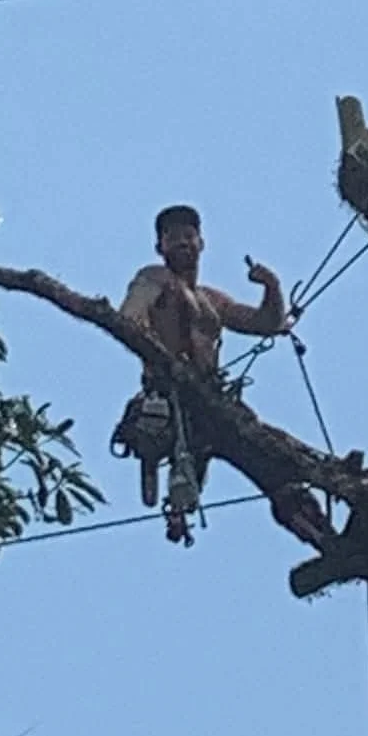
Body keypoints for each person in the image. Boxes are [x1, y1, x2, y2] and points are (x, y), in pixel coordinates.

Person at [112, 205, 287, 543]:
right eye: (172, 237)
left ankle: (300, 510)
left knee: (267, 451)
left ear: (201, 243)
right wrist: (159, 355)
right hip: (165, 391)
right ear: (160, 247)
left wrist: (272, 286)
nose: (182, 243)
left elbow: (268, 324)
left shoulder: (213, 302)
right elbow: (129, 317)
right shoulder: (154, 278)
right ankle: (155, 460)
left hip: (209, 399)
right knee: (170, 433)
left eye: (188, 236)